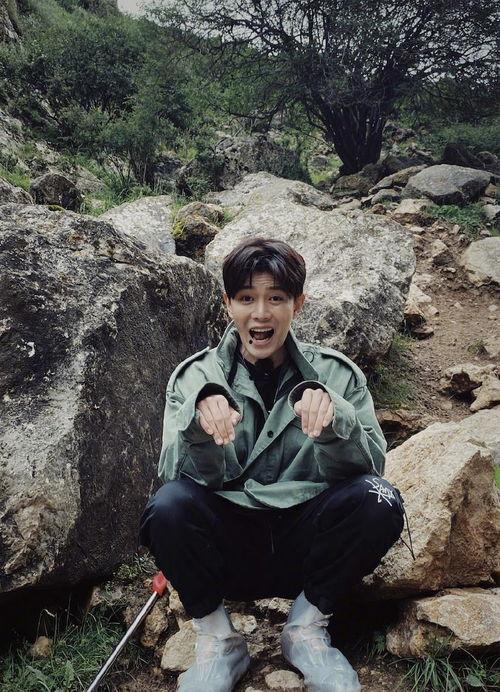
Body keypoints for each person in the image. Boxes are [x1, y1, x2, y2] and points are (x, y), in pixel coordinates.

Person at [139, 237, 405, 692]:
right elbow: (176, 479)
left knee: (380, 498)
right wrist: (198, 427)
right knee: (167, 506)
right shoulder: (193, 377)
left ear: (297, 304)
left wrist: (335, 422)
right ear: (228, 304)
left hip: (306, 548)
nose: (260, 313)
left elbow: (370, 468)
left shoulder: (337, 374)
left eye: (276, 298)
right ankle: (218, 641)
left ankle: (306, 630)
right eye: (246, 298)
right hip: (229, 551)